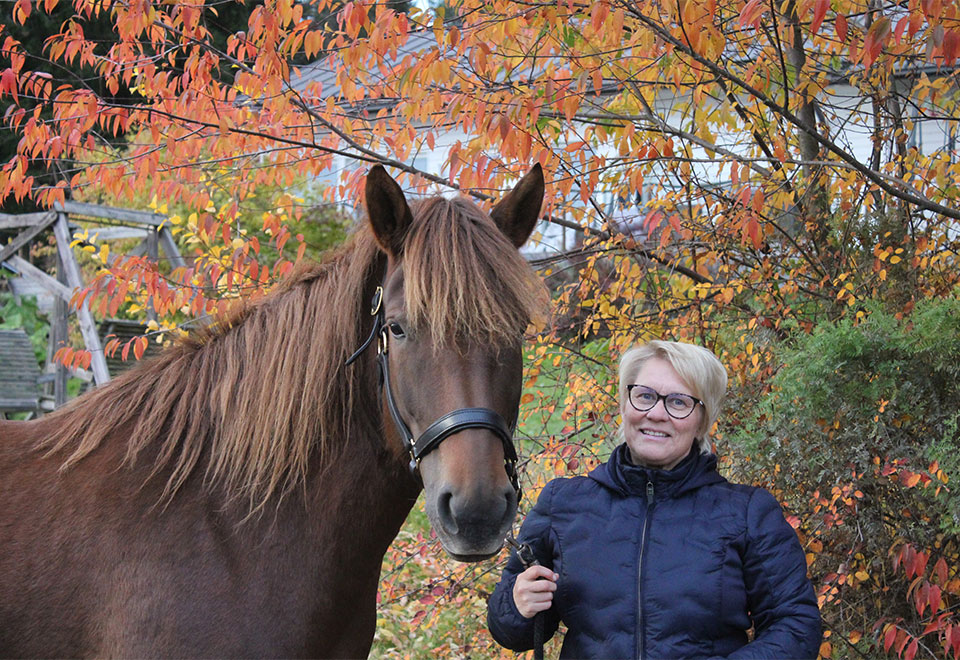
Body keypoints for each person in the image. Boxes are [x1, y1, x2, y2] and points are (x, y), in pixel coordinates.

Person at [487, 340, 822, 659]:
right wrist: (517, 604)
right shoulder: (564, 503)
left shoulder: (747, 513)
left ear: (702, 420)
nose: (656, 413)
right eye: (644, 395)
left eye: (678, 402)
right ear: (624, 403)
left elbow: (795, 626)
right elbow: (511, 629)